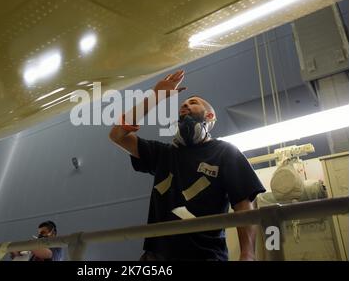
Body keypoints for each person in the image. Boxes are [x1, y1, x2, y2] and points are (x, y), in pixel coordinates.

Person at [109, 70, 266, 261]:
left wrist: (248, 254)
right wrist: (154, 98)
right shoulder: (163, 154)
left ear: (209, 116)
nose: (185, 104)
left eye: (193, 103)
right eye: (184, 104)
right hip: (156, 258)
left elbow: (244, 204)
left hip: (205, 256)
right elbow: (117, 135)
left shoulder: (226, 153)